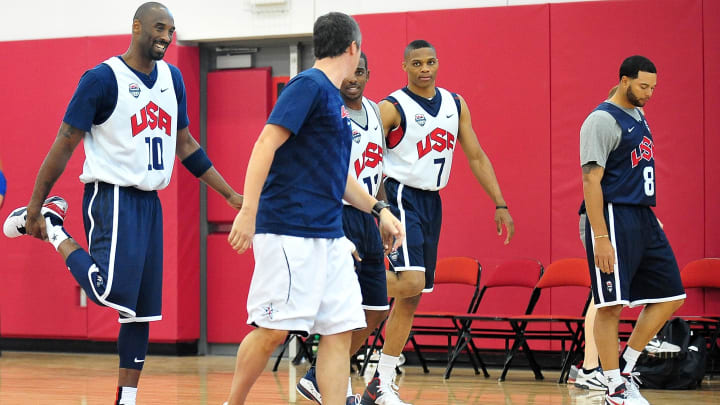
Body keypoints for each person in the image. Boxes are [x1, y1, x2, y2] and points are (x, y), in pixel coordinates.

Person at [2, 3, 242, 404]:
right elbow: (64, 143)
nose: (167, 36)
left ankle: (126, 399)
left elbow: (185, 145)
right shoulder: (102, 79)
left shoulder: (173, 78)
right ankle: (52, 224)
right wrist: (33, 204)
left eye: (172, 30)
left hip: (150, 203)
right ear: (136, 27)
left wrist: (231, 194)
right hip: (111, 195)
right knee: (107, 289)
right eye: (159, 28)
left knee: (140, 312)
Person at [224, 13, 404, 405]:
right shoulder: (308, 86)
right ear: (354, 48)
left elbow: (337, 177)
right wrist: (248, 210)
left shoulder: (334, 99)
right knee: (272, 331)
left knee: (340, 331)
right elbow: (264, 144)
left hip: (329, 237)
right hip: (290, 232)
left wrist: (379, 210)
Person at [361, 40, 515, 405]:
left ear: (438, 63)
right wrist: (375, 207)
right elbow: (365, 155)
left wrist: (500, 202)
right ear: (404, 66)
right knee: (411, 281)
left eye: (430, 61)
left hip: (432, 201)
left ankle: (381, 382)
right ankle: (348, 284)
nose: (425, 68)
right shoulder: (391, 107)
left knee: (412, 297)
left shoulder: (455, 104)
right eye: (417, 63)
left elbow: (475, 155)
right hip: (398, 195)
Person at [580, 55, 685, 405]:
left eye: (653, 87)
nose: (649, 93)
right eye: (643, 86)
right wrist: (600, 237)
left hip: (642, 215)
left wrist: (648, 214)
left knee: (672, 295)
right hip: (611, 217)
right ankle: (613, 388)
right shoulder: (601, 120)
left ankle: (625, 366)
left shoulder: (638, 114)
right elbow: (590, 180)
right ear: (624, 80)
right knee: (611, 305)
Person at [295, 52, 390, 405]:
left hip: (367, 216)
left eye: (360, 72)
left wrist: (382, 213)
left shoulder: (377, 113)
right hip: (337, 214)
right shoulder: (328, 111)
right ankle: (341, 388)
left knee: (377, 308)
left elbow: (377, 168)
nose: (354, 77)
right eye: (349, 71)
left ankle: (317, 376)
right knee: (344, 310)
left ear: (368, 74)